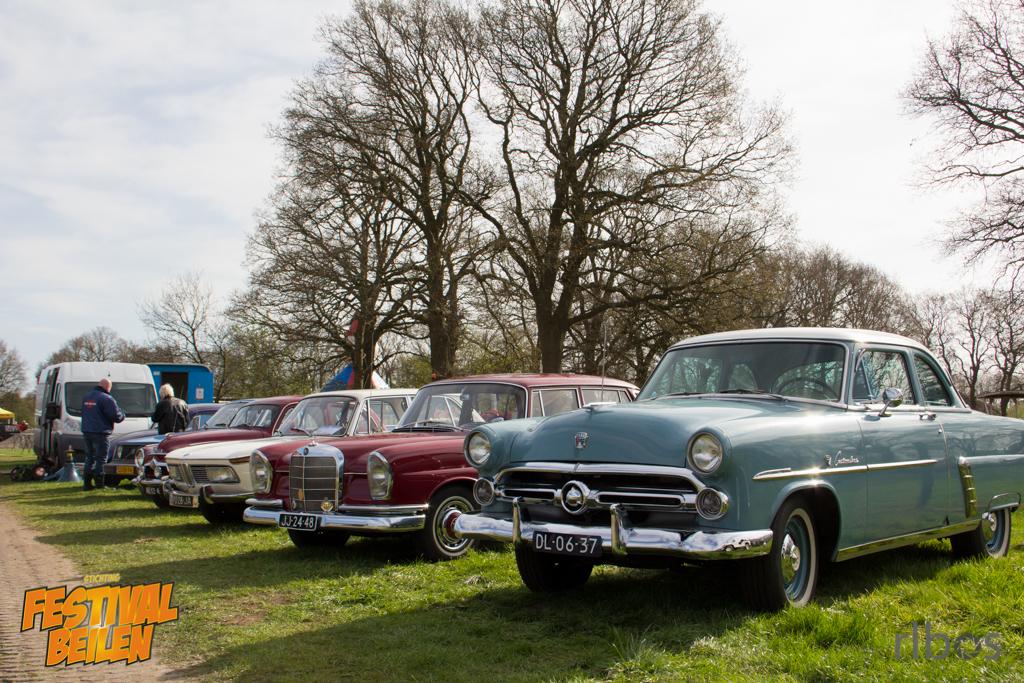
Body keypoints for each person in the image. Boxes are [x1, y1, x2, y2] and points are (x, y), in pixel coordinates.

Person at [81, 377, 125, 491]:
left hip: (87, 431)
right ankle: (99, 483)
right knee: (101, 458)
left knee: (89, 457)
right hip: (100, 432)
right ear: (107, 387)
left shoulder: (86, 397)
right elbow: (116, 416)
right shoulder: (106, 398)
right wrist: (123, 414)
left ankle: (86, 483)